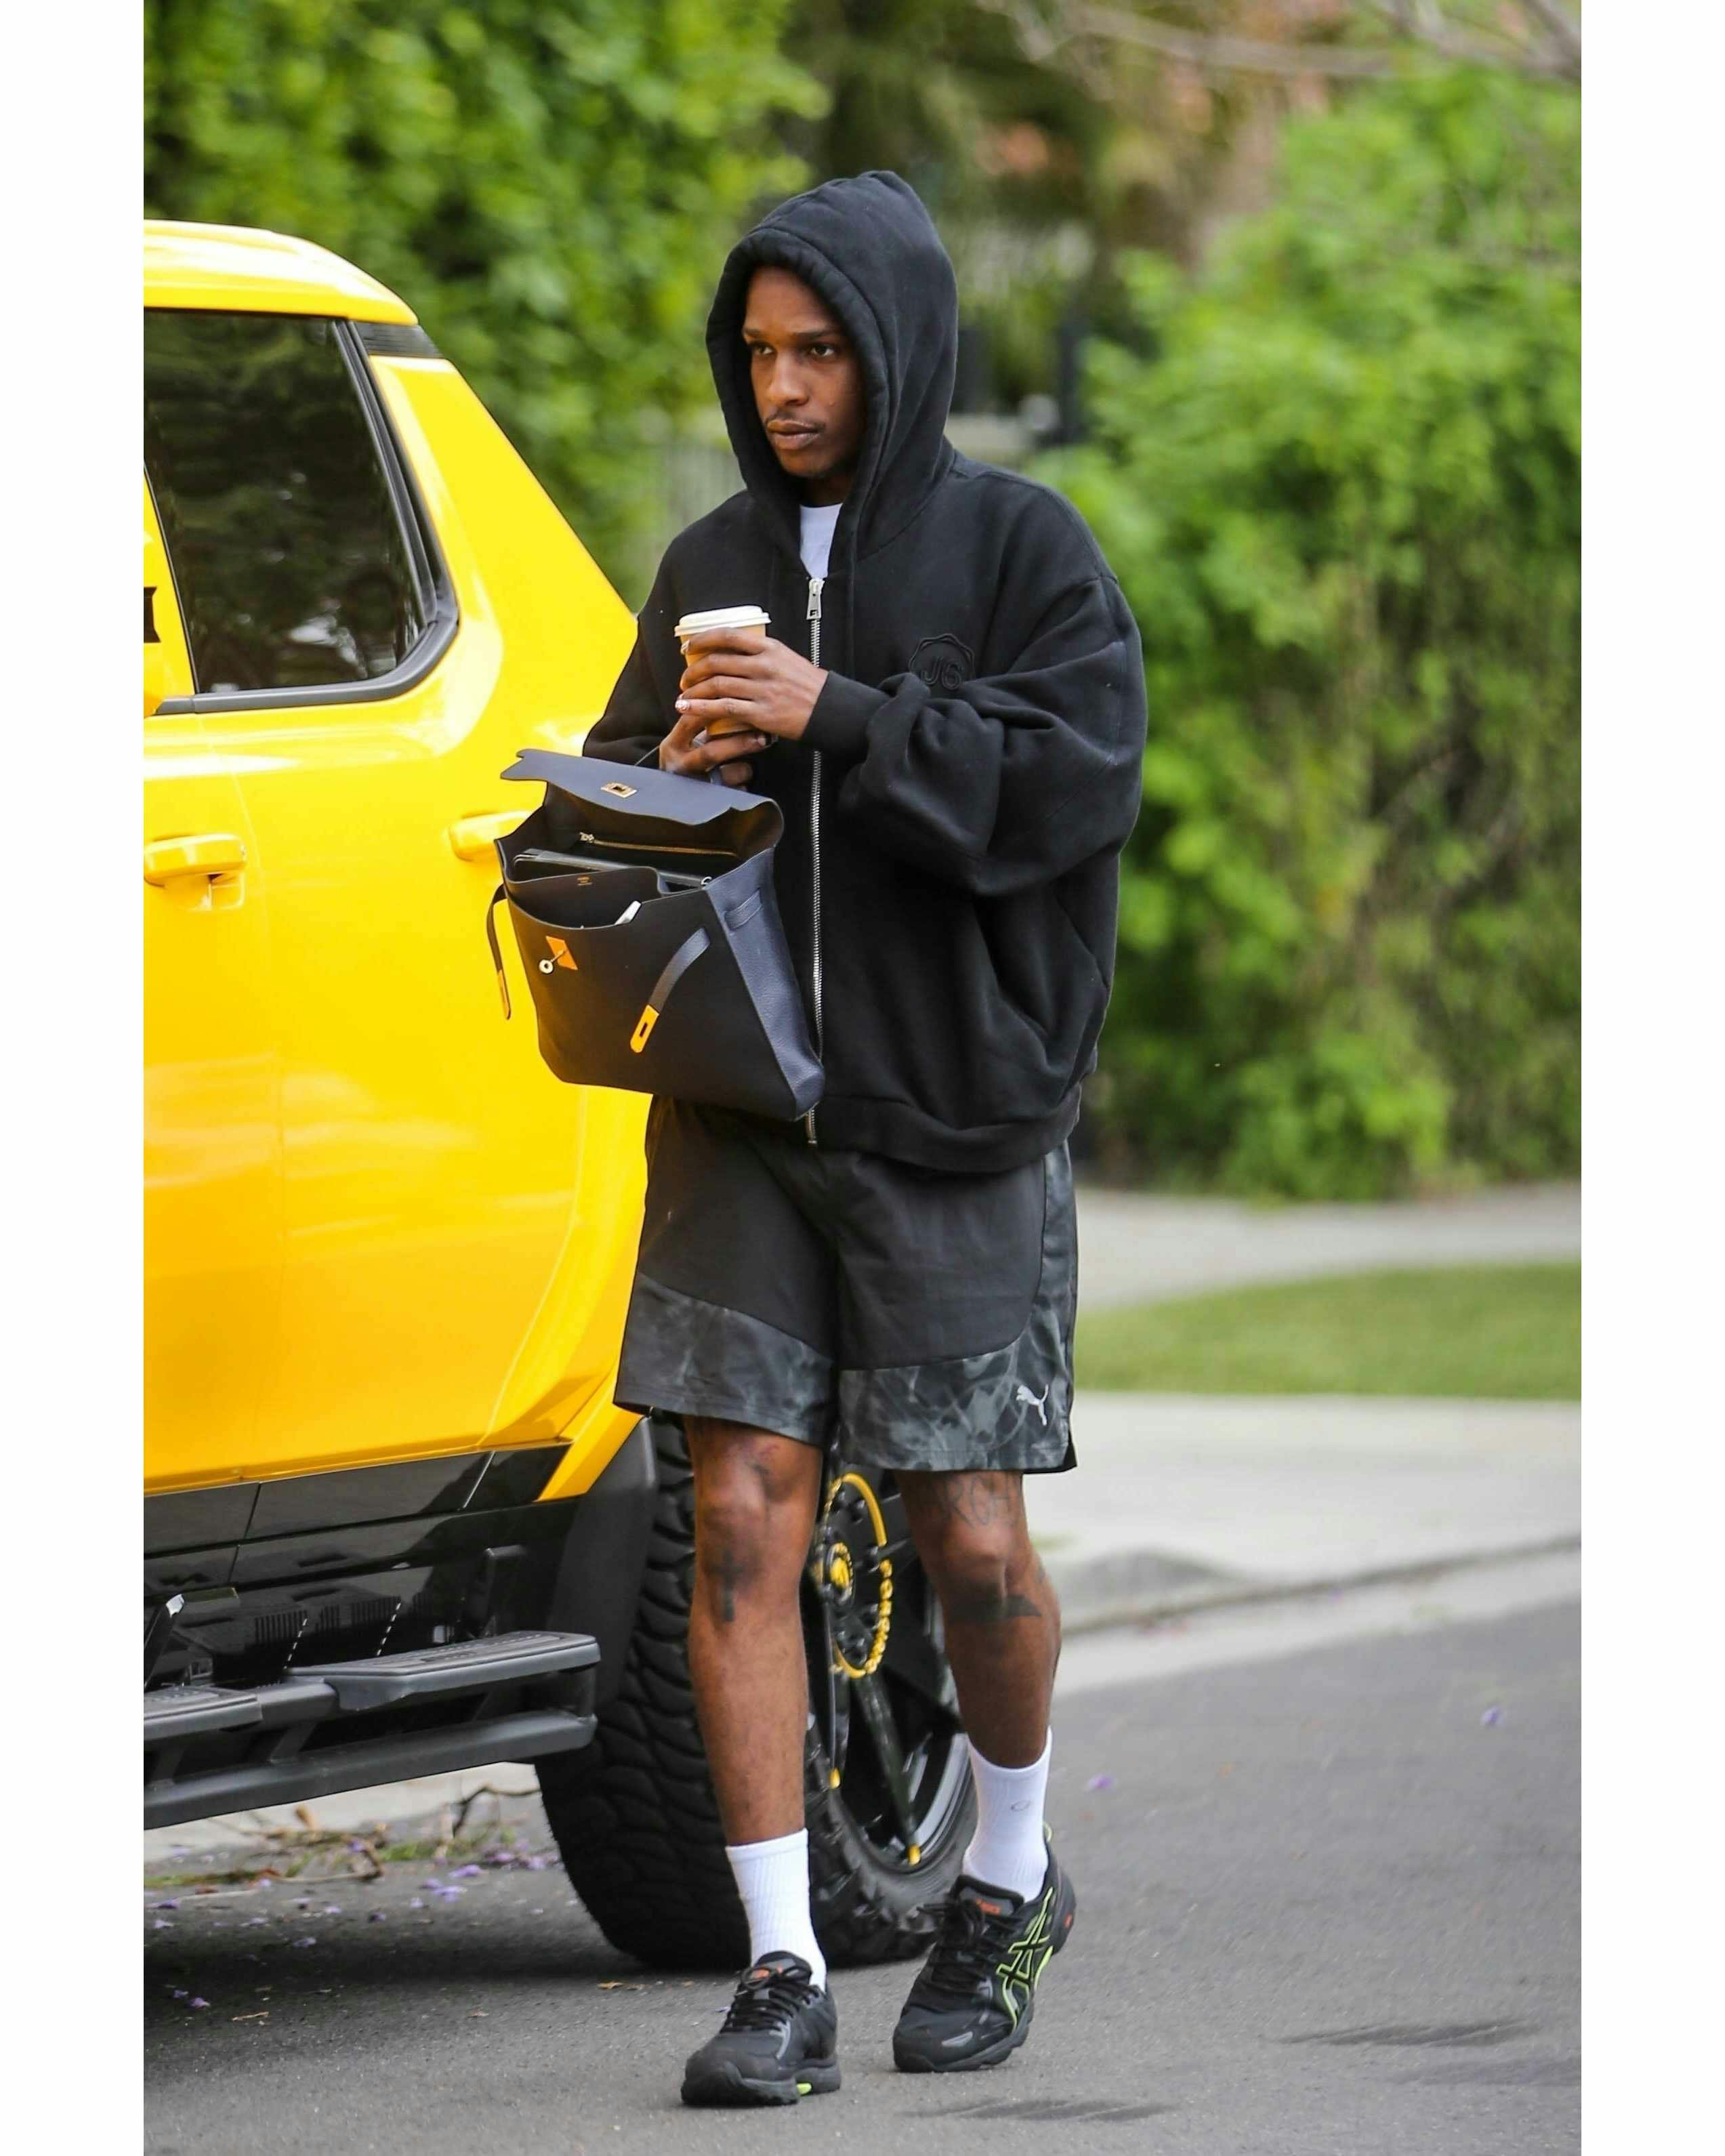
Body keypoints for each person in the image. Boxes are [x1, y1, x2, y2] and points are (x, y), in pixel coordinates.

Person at [582, 169, 1146, 2107]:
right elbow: (607, 839)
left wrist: (836, 715)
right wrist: (662, 781)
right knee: (736, 1515)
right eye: (758, 354)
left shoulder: (1021, 553)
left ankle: (1002, 1878)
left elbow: (1060, 791)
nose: (787, 386)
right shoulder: (703, 561)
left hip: (955, 1121)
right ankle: (778, 1966)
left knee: (966, 1535)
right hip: (744, 1118)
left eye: (818, 348)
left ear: (895, 346)